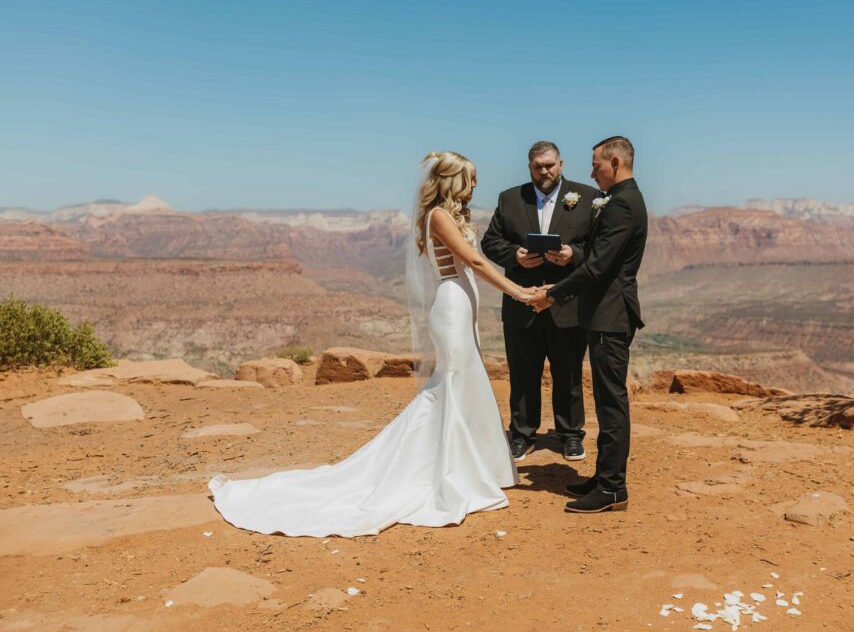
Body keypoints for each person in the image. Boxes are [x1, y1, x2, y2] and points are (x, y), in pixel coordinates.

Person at [209, 151, 532, 537]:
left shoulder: (452, 214)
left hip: (464, 305)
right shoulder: (439, 217)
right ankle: (449, 472)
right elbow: (476, 264)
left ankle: (477, 468)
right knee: (452, 386)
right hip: (452, 305)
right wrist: (521, 293)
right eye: (470, 179)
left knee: (464, 386)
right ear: (451, 182)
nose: (476, 185)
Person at [526, 136, 648, 514]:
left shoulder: (623, 204)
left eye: (596, 164)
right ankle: (604, 476)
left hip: (611, 315)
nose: (592, 170)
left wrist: (552, 295)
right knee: (606, 401)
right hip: (603, 313)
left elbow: (598, 267)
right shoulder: (621, 200)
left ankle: (613, 488)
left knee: (612, 405)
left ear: (614, 162)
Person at [481, 141, 601, 462]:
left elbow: (600, 246)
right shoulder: (510, 199)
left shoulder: (587, 197)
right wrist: (515, 256)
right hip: (522, 303)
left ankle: (571, 435)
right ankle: (522, 434)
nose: (544, 171)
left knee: (569, 373)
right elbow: (490, 242)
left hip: (568, 304)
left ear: (561, 163)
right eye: (537, 166)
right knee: (522, 374)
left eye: (549, 165)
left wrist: (572, 254)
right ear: (529, 167)